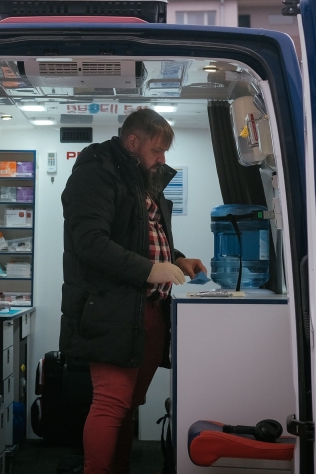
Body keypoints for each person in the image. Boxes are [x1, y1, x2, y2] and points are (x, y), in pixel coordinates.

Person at [60, 108, 207, 474]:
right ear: (133, 142)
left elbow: (142, 239)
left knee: (128, 405)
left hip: (147, 312)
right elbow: (90, 243)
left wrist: (177, 259)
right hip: (113, 310)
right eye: (157, 150)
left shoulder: (140, 182)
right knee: (111, 403)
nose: (162, 159)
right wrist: (150, 270)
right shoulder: (97, 173)